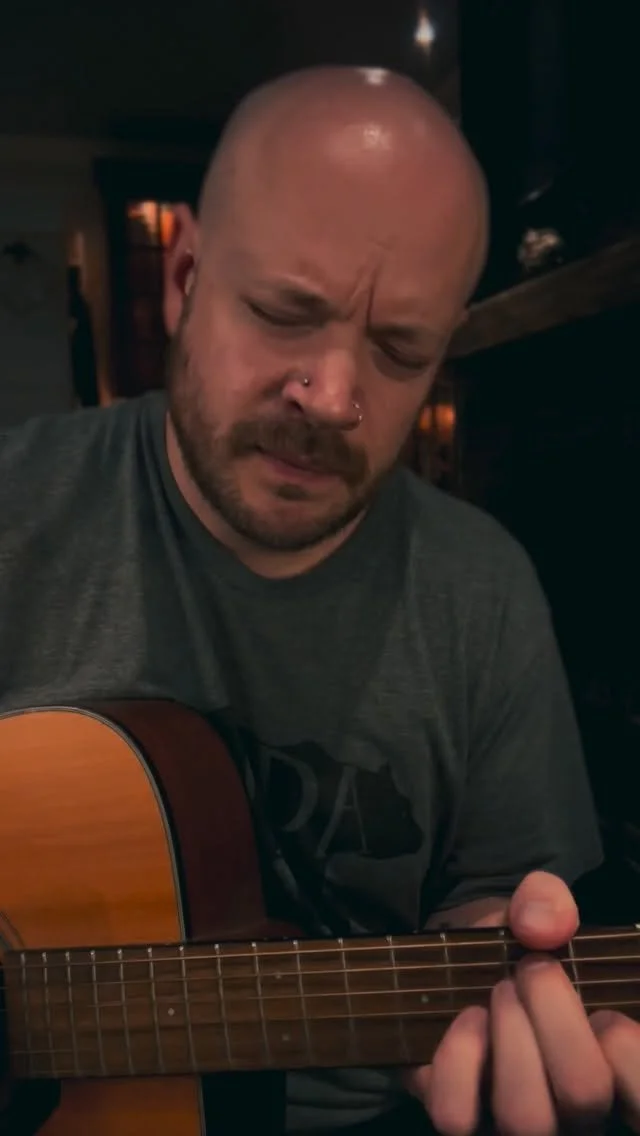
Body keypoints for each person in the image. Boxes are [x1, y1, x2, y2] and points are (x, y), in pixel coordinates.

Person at [0, 65, 639, 1135]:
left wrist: (503, 979)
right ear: (184, 277)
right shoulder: (16, 512)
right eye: (283, 313)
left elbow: (498, 902)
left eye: (400, 351)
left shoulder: (483, 589)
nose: (334, 399)